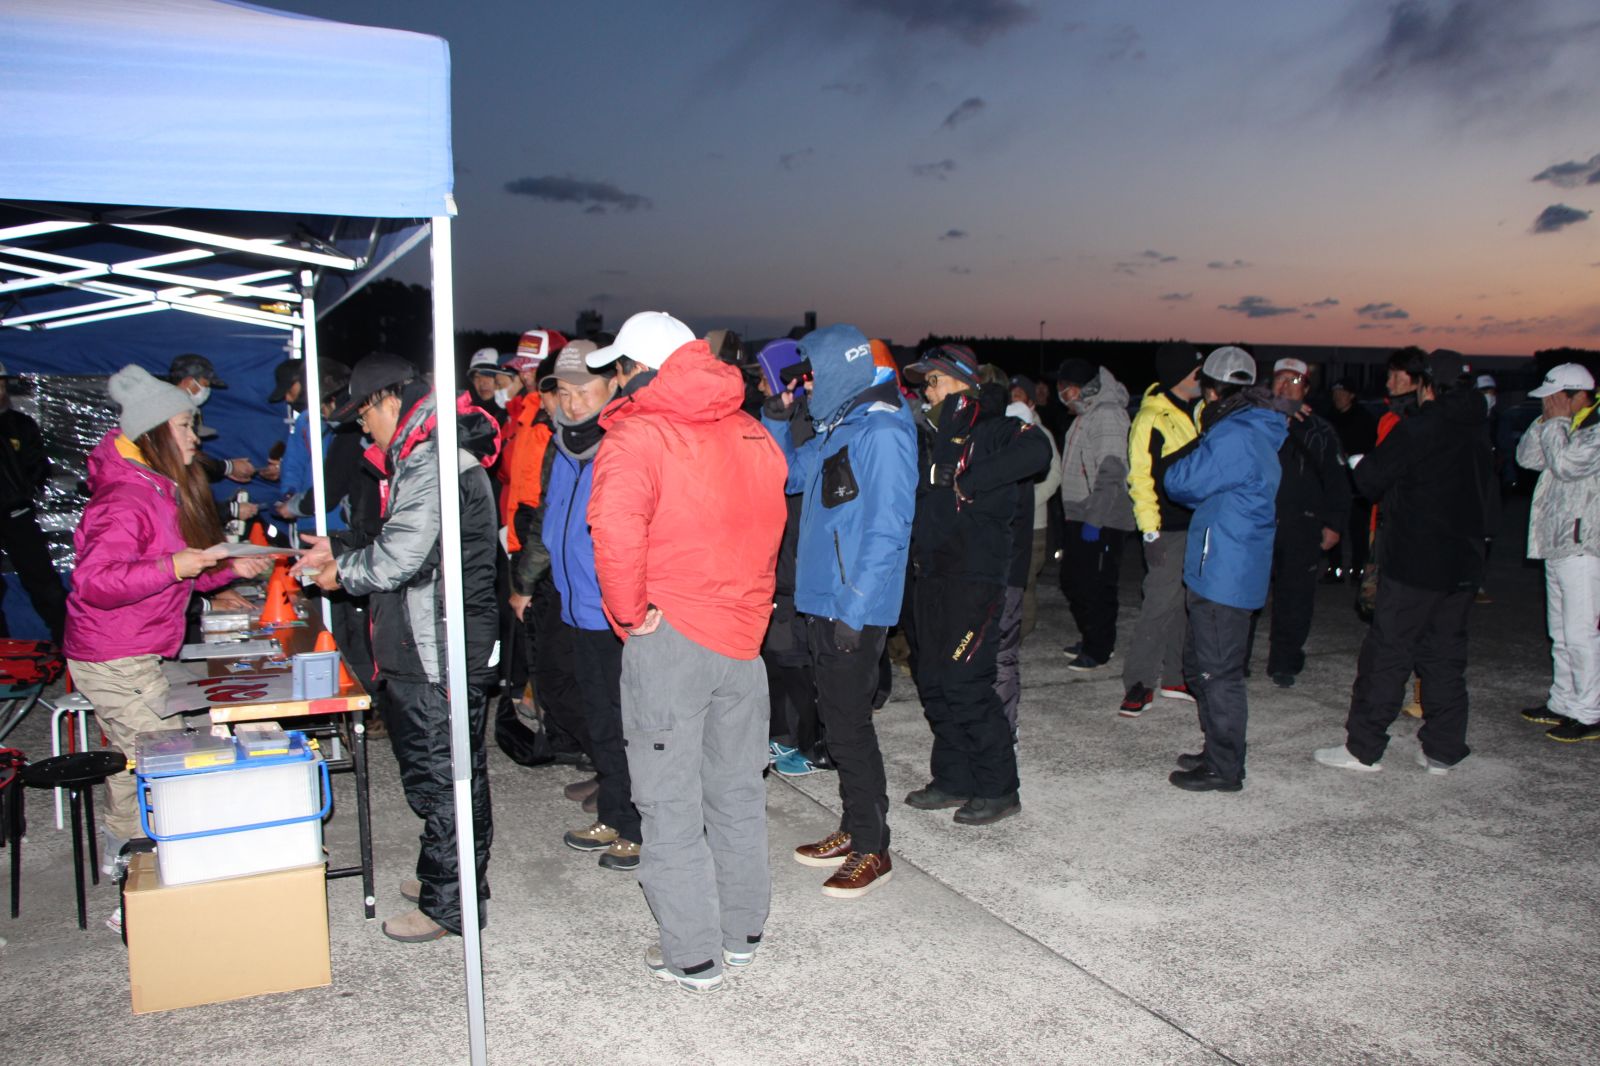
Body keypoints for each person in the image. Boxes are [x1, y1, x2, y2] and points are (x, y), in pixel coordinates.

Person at [586, 313, 788, 993]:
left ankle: (694, 955)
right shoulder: (752, 429)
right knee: (736, 792)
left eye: (619, 369)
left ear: (638, 368)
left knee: (669, 804)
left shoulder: (638, 434)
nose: (617, 382)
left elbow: (615, 530)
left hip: (672, 636)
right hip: (742, 640)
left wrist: (629, 614)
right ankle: (742, 932)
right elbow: (772, 523)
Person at [293, 353, 500, 943]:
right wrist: (340, 547)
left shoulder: (432, 460)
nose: (364, 430)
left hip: (438, 643)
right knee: (442, 771)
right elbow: (408, 540)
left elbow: (400, 558)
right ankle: (453, 877)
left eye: (364, 416)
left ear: (388, 401)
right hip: (427, 637)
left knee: (444, 775)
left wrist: (341, 572)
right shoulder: (420, 456)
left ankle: (450, 903)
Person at [64, 365, 272, 929]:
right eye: (184, 426)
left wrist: (223, 571)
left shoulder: (155, 486)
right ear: (154, 430)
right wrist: (177, 565)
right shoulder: (126, 496)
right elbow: (95, 581)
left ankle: (124, 854)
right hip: (116, 653)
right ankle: (143, 896)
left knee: (133, 755)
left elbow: (171, 570)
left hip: (133, 648)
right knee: (164, 763)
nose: (193, 438)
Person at [763, 323, 916, 898]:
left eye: (811, 377)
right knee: (836, 722)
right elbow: (786, 474)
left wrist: (855, 608)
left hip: (853, 606)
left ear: (838, 370)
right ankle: (855, 826)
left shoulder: (883, 429)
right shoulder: (840, 424)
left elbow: (889, 527)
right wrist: (778, 416)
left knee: (849, 726)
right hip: (822, 599)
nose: (805, 387)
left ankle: (873, 848)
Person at [1314, 350, 1493, 775]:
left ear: (1426, 384)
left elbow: (1371, 479)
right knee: (1445, 654)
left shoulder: (1421, 427)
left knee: (1388, 651)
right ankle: (1443, 749)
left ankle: (1363, 748)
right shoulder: (1477, 430)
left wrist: (1357, 462)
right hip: (1463, 563)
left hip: (1416, 559)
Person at [903, 346, 1050, 822]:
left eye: (934, 381)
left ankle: (999, 788)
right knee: (933, 681)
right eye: (924, 383)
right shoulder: (928, 434)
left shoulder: (994, 427)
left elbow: (1038, 450)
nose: (927, 391)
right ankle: (953, 778)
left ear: (962, 380)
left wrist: (969, 480)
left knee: (965, 682)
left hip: (975, 579)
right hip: (931, 576)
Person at [525, 341, 642, 871]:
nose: (572, 403)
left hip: (614, 608)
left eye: (584, 391)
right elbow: (552, 517)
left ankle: (638, 826)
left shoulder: (623, 441)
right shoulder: (564, 445)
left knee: (626, 722)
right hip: (576, 604)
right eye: (564, 393)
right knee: (600, 720)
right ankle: (615, 813)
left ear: (612, 385)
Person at [1163, 347, 1288, 792]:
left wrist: (1198, 445)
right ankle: (1217, 748)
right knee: (1201, 665)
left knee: (1217, 673)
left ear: (1213, 392)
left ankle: (1225, 768)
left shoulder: (1234, 434)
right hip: (1224, 563)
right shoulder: (1251, 428)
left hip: (1224, 570)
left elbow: (1179, 481)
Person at [1514, 363, 1600, 742]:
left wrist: (1557, 423)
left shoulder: (1596, 429)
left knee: (1581, 633)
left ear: (1576, 395)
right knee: (1561, 632)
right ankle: (1563, 701)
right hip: (1555, 543)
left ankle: (1590, 711)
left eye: (1552, 398)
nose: (1546, 404)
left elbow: (1565, 465)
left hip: (1585, 547)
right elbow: (1527, 459)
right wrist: (1546, 423)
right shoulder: (1563, 424)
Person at [1253, 357, 1350, 688]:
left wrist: (1334, 523)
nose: (1285, 386)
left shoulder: (1320, 430)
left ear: (1306, 388)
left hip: (1302, 525)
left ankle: (1285, 661)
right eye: (1279, 379)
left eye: (1294, 380)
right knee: (1246, 592)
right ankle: (1236, 659)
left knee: (1295, 597)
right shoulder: (1254, 419)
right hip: (1257, 521)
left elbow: (1337, 481)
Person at [1119, 342, 1203, 716]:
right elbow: (1140, 478)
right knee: (1158, 603)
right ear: (1180, 374)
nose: (1202, 376)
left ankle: (1175, 676)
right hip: (1166, 528)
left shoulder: (1201, 410)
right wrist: (1149, 531)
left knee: (1186, 603)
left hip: (1198, 524)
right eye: (1197, 370)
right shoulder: (1151, 417)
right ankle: (1138, 682)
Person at [1055, 357, 1134, 670]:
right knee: (1074, 581)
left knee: (1096, 585)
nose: (1062, 393)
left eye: (1065, 387)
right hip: (1080, 513)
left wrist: (1095, 519)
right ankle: (1092, 636)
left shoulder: (1107, 414)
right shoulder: (1085, 415)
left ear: (1080, 388)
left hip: (1102, 516)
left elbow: (1111, 471)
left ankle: (1099, 647)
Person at [0, 363, 68, 644]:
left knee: (44, 583)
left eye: (1, 384)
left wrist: (24, 493)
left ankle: (70, 643)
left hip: (17, 512)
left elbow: (38, 465)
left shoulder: (20, 424)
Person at [1008, 375, 1062, 640]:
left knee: (1025, 584)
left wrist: (1026, 502)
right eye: (1011, 396)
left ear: (1031, 401)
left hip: (1033, 525)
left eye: (1019, 396)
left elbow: (1054, 477)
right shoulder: (1007, 431)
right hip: (1010, 523)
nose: (1013, 400)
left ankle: (1020, 636)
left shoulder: (1041, 434)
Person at [167, 353, 258, 484]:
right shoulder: (166, 412)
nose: (195, 439)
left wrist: (226, 468)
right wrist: (228, 467)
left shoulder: (189, 411)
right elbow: (184, 462)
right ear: (188, 382)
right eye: (205, 384)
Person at [1325, 380, 1376, 583]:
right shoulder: (1329, 418)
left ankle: (1358, 569)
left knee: (1357, 528)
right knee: (1333, 524)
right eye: (1335, 393)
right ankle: (1334, 568)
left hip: (1356, 482)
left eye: (1342, 392)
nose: (1338, 397)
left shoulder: (1364, 418)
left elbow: (1370, 447)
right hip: (1334, 481)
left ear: (1352, 395)